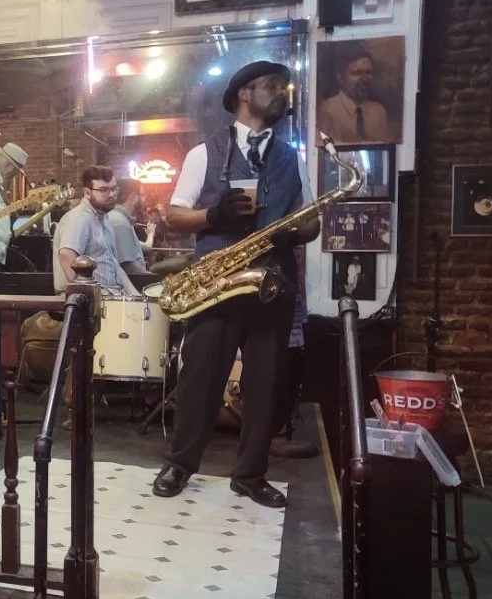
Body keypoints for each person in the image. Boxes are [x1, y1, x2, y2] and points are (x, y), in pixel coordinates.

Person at [152, 61, 319, 509]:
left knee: (266, 387)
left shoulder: (291, 157)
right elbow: (175, 215)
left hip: (272, 285)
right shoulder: (203, 154)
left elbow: (310, 222)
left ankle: (250, 474)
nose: (281, 94)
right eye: (271, 87)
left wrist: (292, 230)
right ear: (244, 94)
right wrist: (215, 215)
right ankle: (181, 464)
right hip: (218, 285)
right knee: (199, 377)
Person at [52, 166, 139, 296]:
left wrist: (137, 297)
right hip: (83, 303)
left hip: (109, 297)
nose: (112, 194)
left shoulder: (106, 220)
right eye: (104, 190)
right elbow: (66, 255)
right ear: (87, 193)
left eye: (114, 189)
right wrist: (92, 295)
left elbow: (115, 267)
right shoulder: (79, 217)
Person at [316, 46, 396, 144]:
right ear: (340, 77)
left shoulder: (379, 112)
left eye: (368, 72)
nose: (365, 78)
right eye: (358, 73)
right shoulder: (326, 110)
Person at [109, 179, 155, 277]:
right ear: (133, 197)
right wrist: (152, 278)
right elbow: (128, 265)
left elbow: (146, 247)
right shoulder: (120, 222)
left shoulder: (120, 219)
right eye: (142, 195)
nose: (144, 198)